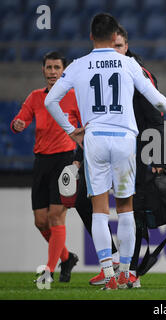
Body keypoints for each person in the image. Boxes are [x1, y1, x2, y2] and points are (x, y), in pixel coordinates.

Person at [45, 13, 166, 290]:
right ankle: (127, 273)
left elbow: (50, 100)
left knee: (100, 210)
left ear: (91, 36)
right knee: (126, 208)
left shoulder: (79, 65)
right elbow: (156, 99)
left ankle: (108, 273)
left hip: (95, 139)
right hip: (125, 139)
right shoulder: (128, 63)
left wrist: (72, 130)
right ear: (114, 34)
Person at [76, 25, 166, 288]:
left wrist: (157, 157)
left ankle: (131, 271)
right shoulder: (100, 70)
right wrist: (78, 154)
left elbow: (155, 118)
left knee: (132, 211)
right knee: (84, 202)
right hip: (102, 148)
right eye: (111, 45)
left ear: (126, 47)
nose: (113, 50)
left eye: (119, 45)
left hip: (134, 151)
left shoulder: (138, 72)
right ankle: (115, 259)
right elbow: (89, 118)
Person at [10, 51, 80, 283]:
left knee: (55, 217)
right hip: (41, 161)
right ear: (43, 70)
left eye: (56, 68)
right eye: (48, 68)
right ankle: (67, 257)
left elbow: (85, 126)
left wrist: (78, 158)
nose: (52, 72)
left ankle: (49, 270)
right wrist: (17, 125)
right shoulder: (35, 97)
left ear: (64, 71)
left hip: (64, 161)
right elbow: (20, 119)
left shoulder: (73, 97)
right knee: (40, 221)